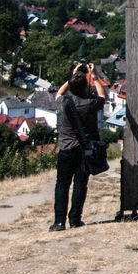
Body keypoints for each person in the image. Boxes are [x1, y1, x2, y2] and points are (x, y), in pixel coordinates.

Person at [52, 62, 106, 231]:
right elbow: (103, 96)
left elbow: (59, 93)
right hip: (85, 150)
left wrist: (73, 76)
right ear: (85, 86)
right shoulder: (90, 103)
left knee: (62, 184)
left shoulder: (64, 102)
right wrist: (94, 77)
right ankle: (75, 219)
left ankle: (59, 222)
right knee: (80, 184)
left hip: (66, 148)